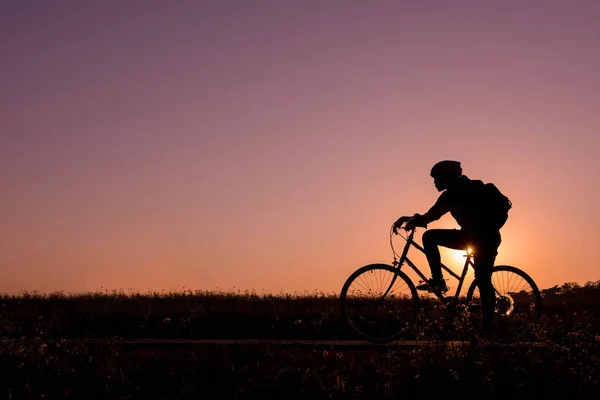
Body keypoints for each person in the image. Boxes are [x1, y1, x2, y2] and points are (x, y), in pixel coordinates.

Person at [392, 160, 503, 335]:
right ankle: (439, 281)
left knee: (482, 279)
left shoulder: (457, 191)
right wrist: (409, 219)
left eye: (437, 177)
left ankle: (487, 329)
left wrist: (412, 220)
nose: (434, 182)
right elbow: (431, 215)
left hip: (483, 238)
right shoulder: (457, 190)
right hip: (474, 236)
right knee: (481, 278)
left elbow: (431, 216)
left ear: (448, 176)